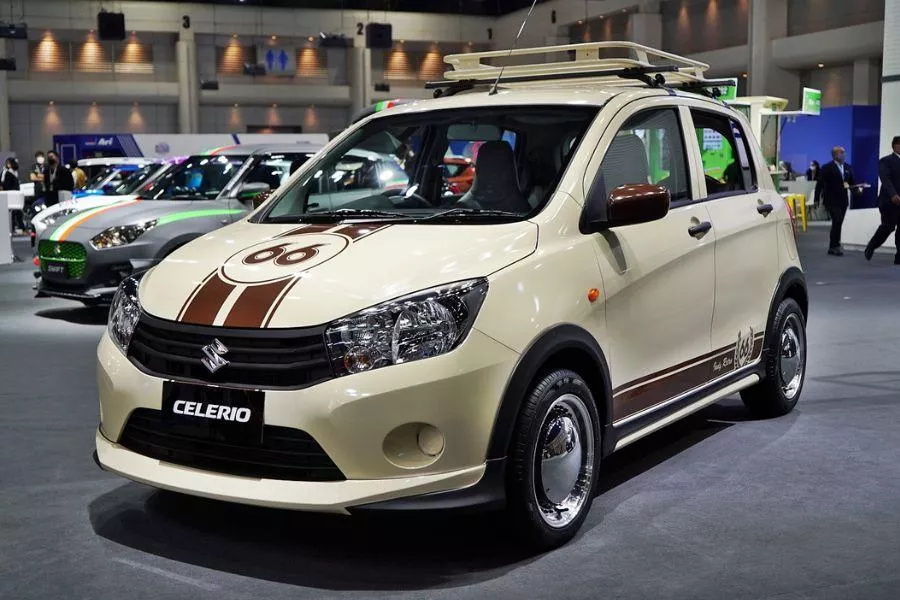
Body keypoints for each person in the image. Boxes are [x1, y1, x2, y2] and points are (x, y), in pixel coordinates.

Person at [864, 136, 900, 264]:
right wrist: (893, 195)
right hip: (889, 201)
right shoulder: (886, 161)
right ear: (895, 146)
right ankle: (871, 246)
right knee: (888, 227)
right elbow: (886, 179)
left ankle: (899, 256)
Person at [815, 146, 857, 256]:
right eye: (841, 152)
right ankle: (834, 246)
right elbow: (819, 184)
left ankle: (833, 245)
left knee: (838, 223)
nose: (844, 154)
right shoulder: (827, 167)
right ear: (835, 155)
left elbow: (851, 182)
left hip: (843, 200)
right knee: (837, 220)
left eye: (844, 152)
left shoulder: (848, 167)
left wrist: (857, 190)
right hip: (831, 200)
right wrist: (816, 199)